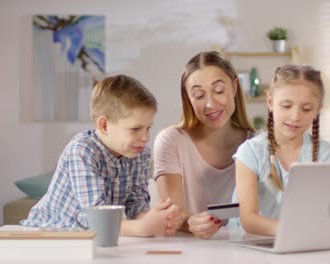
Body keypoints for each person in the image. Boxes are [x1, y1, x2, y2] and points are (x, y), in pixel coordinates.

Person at [21, 74, 183, 237]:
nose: (145, 137)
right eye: (135, 129)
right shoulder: (82, 150)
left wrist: (154, 219)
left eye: (148, 128)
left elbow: (136, 203)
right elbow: (96, 218)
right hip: (50, 233)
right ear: (104, 125)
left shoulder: (140, 154)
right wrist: (142, 228)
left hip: (95, 235)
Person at [153, 51, 256, 239]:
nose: (210, 104)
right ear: (188, 99)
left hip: (244, 247)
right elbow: (172, 211)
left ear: (234, 87)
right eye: (199, 95)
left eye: (218, 91)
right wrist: (190, 223)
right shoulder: (171, 141)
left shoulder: (255, 144)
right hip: (190, 247)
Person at [232, 65, 330, 236]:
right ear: (270, 102)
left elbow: (324, 210)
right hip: (248, 243)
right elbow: (249, 220)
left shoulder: (324, 153)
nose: (295, 116)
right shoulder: (250, 152)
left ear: (318, 110)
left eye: (306, 109)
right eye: (287, 106)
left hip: (299, 242)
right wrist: (293, 231)